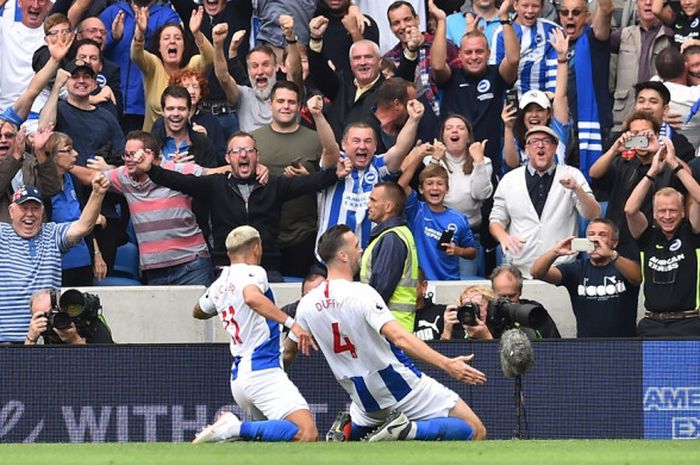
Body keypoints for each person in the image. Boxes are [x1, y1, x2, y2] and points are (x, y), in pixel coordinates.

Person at [287, 224, 487, 442]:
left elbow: (287, 353)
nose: (361, 250)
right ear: (343, 255)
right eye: (356, 246)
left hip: (362, 399)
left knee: (373, 427)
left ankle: (348, 431)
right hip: (396, 385)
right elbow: (399, 338)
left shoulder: (306, 305)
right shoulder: (361, 293)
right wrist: (447, 365)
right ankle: (406, 429)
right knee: (474, 429)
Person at [143, 131, 352, 281]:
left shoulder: (274, 185)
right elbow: (180, 180)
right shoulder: (215, 185)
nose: (243, 155)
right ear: (227, 158)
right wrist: (151, 169)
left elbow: (307, 183)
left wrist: (335, 174)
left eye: (249, 150)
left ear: (257, 156)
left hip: (267, 269)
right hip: (226, 269)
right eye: (236, 151)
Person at [191, 226, 318, 443]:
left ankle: (238, 429)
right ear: (257, 248)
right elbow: (251, 297)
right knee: (305, 432)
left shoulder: (218, 284)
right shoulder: (254, 272)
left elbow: (198, 311)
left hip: (240, 378)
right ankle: (234, 427)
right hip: (262, 370)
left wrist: (226, 308)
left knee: (274, 443)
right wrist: (292, 324)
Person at [0, 174, 109, 344]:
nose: (30, 214)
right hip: (4, 342)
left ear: (43, 211)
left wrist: (98, 193)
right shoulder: (1, 234)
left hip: (47, 340)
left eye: (35, 208)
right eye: (24, 208)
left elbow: (83, 226)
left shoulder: (52, 234)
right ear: (11, 212)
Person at [311, 98, 424, 250]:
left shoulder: (379, 167)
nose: (362, 146)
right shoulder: (337, 163)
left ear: (376, 146)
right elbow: (329, 148)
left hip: (367, 260)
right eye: (356, 141)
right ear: (344, 145)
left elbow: (400, 149)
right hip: (330, 258)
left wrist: (413, 119)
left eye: (368, 141)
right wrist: (318, 115)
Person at [490, 125, 599, 278]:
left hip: (560, 269)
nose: (540, 145)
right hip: (520, 267)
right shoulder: (509, 180)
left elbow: (592, 214)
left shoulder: (571, 174)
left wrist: (577, 189)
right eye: (533, 141)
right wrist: (504, 237)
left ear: (555, 148)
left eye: (546, 141)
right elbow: (496, 219)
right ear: (526, 150)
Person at [431, 0, 519, 175]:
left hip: (489, 163)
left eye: (479, 52)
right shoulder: (451, 77)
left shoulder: (497, 75)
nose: (474, 57)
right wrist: (442, 22)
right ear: (460, 55)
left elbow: (514, 59)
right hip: (452, 165)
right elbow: (438, 65)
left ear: (488, 54)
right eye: (468, 52)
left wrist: (504, 18)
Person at [590, 110, 689, 260]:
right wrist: (614, 149)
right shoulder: (622, 163)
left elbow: (689, 176)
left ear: (656, 134)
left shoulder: (668, 164)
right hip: (620, 241)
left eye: (645, 133)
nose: (640, 138)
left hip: (654, 242)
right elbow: (594, 174)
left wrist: (664, 153)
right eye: (635, 133)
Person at [625, 147, 700, 337]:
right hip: (652, 324)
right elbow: (630, 210)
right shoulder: (647, 235)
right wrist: (652, 173)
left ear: (682, 212)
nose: (667, 216)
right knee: (653, 368)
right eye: (662, 211)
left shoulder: (691, 233)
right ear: (655, 215)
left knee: (687, 369)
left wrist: (674, 165)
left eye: (673, 210)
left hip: (689, 323)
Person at [252, 82, 324, 278]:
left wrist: (308, 179)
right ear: (270, 104)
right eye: (280, 101)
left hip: (302, 235)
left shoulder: (315, 140)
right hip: (262, 235)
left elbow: (329, 180)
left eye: (291, 102)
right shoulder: (253, 139)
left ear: (299, 106)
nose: (286, 106)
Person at [530, 218, 642, 338]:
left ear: (614, 243)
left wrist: (611, 254)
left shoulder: (622, 266)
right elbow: (537, 272)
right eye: (591, 234)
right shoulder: (575, 270)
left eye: (602, 235)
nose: (595, 239)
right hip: (587, 346)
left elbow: (636, 277)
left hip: (625, 345)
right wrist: (555, 252)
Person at [99, 0, 181, 133]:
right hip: (110, 104)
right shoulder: (113, 12)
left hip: (145, 107)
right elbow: (92, 51)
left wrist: (144, 32)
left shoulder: (167, 16)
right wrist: (112, 37)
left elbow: (171, 54)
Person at [399, 145, 478, 280]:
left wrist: (459, 250)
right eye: (429, 183)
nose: (435, 188)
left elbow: (472, 251)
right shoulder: (416, 210)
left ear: (447, 189)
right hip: (419, 283)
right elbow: (401, 186)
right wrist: (419, 156)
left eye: (440, 184)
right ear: (421, 189)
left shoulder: (459, 218)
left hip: (449, 282)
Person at [130, 5, 214, 131]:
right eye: (166, 38)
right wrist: (140, 33)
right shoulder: (154, 66)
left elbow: (210, 58)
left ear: (184, 46)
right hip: (153, 142)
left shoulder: (191, 67)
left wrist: (196, 33)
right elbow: (136, 55)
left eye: (178, 38)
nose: (172, 41)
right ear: (159, 47)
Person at [557, 0, 614, 177]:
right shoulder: (553, 43)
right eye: (565, 13)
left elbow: (606, 8)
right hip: (561, 128)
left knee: (593, 189)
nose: (570, 17)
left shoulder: (594, 39)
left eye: (576, 12)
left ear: (587, 16)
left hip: (593, 128)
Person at [501, 28, 571, 169]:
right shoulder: (517, 140)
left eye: (539, 110)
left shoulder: (558, 134)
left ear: (548, 113)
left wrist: (562, 59)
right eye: (528, 110)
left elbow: (560, 96)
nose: (534, 115)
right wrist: (508, 128)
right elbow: (512, 164)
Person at [360, 182, 419, 332]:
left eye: (373, 200)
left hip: (387, 328)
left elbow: (381, 288)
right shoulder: (398, 234)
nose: (368, 205)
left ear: (388, 207)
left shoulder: (391, 238)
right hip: (394, 326)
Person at [383, 1, 460, 117]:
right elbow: (393, 97)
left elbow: (461, 82)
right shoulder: (388, 59)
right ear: (391, 28)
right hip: (407, 124)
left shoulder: (444, 45)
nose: (403, 26)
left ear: (417, 20)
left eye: (407, 19)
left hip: (445, 119)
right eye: (396, 23)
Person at [609, 0, 672, 132]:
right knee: (625, 151)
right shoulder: (623, 35)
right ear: (636, 4)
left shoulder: (671, 37)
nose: (648, 3)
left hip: (659, 122)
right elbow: (598, 40)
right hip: (624, 119)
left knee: (651, 149)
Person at [211, 23, 277, 133]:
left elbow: (295, 73)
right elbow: (223, 78)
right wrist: (218, 45)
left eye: (265, 64)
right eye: (254, 66)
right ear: (248, 71)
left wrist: (291, 39)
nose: (260, 72)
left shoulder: (287, 93)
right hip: (249, 149)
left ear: (276, 67)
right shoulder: (243, 95)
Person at [489, 0, 562, 95]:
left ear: (542, 7)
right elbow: (494, 72)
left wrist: (552, 99)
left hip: (544, 101)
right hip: (512, 101)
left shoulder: (551, 30)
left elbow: (555, 71)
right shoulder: (501, 33)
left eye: (535, 6)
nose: (530, 10)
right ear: (515, 5)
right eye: (525, 6)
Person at [0, 0, 52, 113]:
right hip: (5, 112)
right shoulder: (5, 28)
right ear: (19, 3)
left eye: (41, 1)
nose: (35, 5)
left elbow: (80, 7)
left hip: (38, 115)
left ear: (49, 5)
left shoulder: (54, 34)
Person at [489, 265, 561, 338]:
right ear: (492, 293)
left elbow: (555, 344)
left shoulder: (533, 312)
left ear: (520, 292)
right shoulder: (485, 313)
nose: (507, 301)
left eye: (511, 296)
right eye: (502, 297)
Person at [313, 0, 381, 76]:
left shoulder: (363, 22)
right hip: (324, 83)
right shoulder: (315, 21)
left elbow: (371, 62)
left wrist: (354, 31)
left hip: (358, 84)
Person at [25, 288, 113, 345]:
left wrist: (75, 340)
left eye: (55, 311)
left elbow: (106, 364)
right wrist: (31, 339)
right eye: (45, 316)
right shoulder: (43, 333)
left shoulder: (88, 324)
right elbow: (24, 369)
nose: (53, 319)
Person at [413, 267, 448, 341]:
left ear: (424, 286)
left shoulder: (443, 313)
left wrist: (447, 331)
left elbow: (458, 348)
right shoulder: (391, 316)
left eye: (411, 284)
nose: (405, 289)